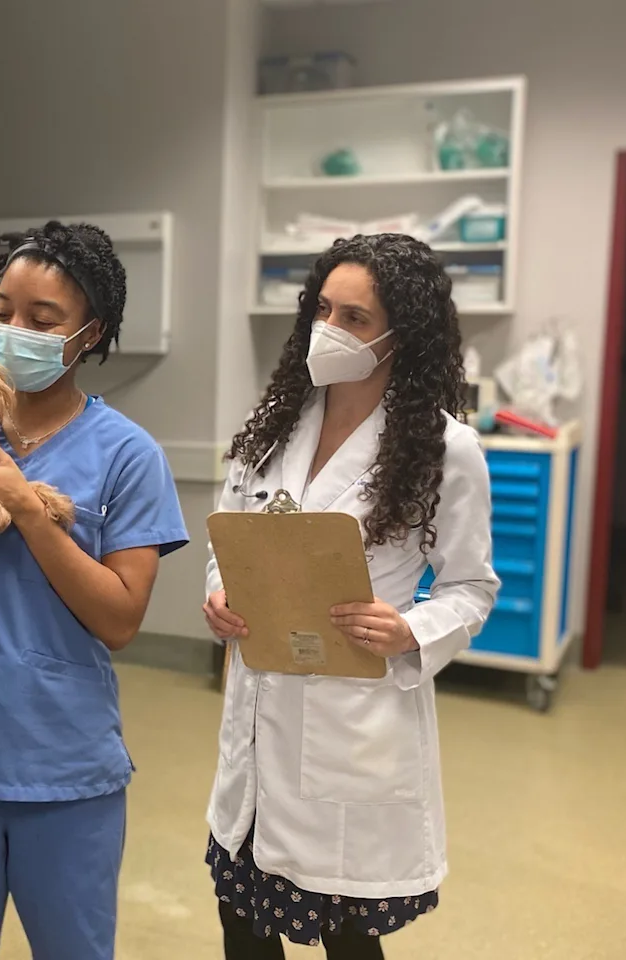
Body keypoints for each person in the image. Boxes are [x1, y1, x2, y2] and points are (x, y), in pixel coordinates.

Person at [0, 221, 189, 960]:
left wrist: (25, 507)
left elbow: (120, 618)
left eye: (41, 320)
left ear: (88, 334)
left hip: (62, 767)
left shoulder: (128, 454)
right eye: (2, 311)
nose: (10, 331)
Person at [201, 234, 500, 959]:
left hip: (350, 722)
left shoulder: (442, 447)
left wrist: (409, 631)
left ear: (403, 334)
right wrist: (218, 595)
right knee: (240, 924)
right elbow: (225, 545)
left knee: (346, 940)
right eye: (323, 309)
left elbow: (471, 586)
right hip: (258, 708)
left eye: (356, 317)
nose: (330, 329)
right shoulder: (273, 428)